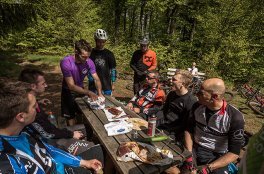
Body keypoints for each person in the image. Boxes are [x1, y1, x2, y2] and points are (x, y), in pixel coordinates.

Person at [0, 80, 103, 174]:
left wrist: (83, 162)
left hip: (60, 166)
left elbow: (48, 150)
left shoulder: (24, 131)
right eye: (34, 105)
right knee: (99, 153)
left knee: (97, 153)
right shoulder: (7, 163)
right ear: (21, 116)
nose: (37, 107)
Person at [18, 68, 97, 155]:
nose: (46, 85)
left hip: (54, 131)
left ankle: (81, 153)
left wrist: (38, 102)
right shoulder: (28, 109)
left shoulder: (29, 99)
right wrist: (71, 134)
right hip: (49, 142)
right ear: (33, 86)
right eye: (43, 83)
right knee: (94, 149)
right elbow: (46, 133)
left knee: (87, 128)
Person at [184, 78, 245, 174]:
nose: (197, 94)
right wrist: (189, 154)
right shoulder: (197, 106)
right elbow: (189, 130)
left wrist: (208, 168)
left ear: (214, 96)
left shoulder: (235, 117)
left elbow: (234, 153)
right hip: (194, 148)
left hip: (216, 156)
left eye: (201, 93)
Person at [60, 39, 103, 126]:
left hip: (81, 90)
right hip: (68, 91)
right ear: (76, 52)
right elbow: (71, 86)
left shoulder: (89, 62)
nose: (86, 59)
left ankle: (83, 133)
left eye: (88, 56)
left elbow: (96, 79)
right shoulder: (66, 62)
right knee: (70, 117)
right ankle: (73, 134)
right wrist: (88, 92)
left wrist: (99, 93)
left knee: (82, 113)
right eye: (83, 56)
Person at [156, 70, 197, 141]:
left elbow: (186, 124)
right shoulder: (172, 94)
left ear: (183, 84)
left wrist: (168, 131)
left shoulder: (191, 101)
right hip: (164, 123)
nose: (171, 81)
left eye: (174, 80)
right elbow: (164, 110)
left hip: (174, 132)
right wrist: (157, 120)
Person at [88, 29, 117, 96]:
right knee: (93, 103)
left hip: (106, 84)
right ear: (95, 40)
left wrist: (113, 83)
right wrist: (90, 78)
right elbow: (87, 68)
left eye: (103, 42)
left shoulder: (109, 54)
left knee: (107, 104)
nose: (101, 43)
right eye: (99, 41)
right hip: (93, 85)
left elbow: (113, 69)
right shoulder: (90, 53)